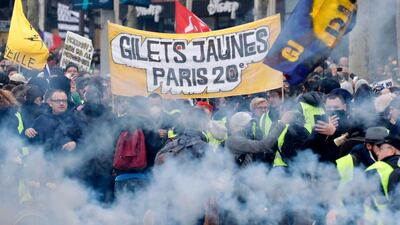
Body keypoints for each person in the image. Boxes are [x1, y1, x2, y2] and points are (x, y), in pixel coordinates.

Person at [24, 89, 81, 155]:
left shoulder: (76, 119)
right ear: (50, 102)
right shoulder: (41, 120)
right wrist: (27, 133)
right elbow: (29, 144)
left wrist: (76, 145)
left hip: (72, 161)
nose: (61, 103)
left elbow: (88, 140)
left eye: (64, 101)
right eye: (57, 101)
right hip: (46, 162)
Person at [303, 92, 351, 163]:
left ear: (344, 107)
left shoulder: (350, 123)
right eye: (329, 108)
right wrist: (319, 133)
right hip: (321, 167)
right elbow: (306, 151)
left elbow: (346, 150)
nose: (332, 111)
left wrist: (334, 132)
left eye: (336, 107)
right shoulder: (321, 122)